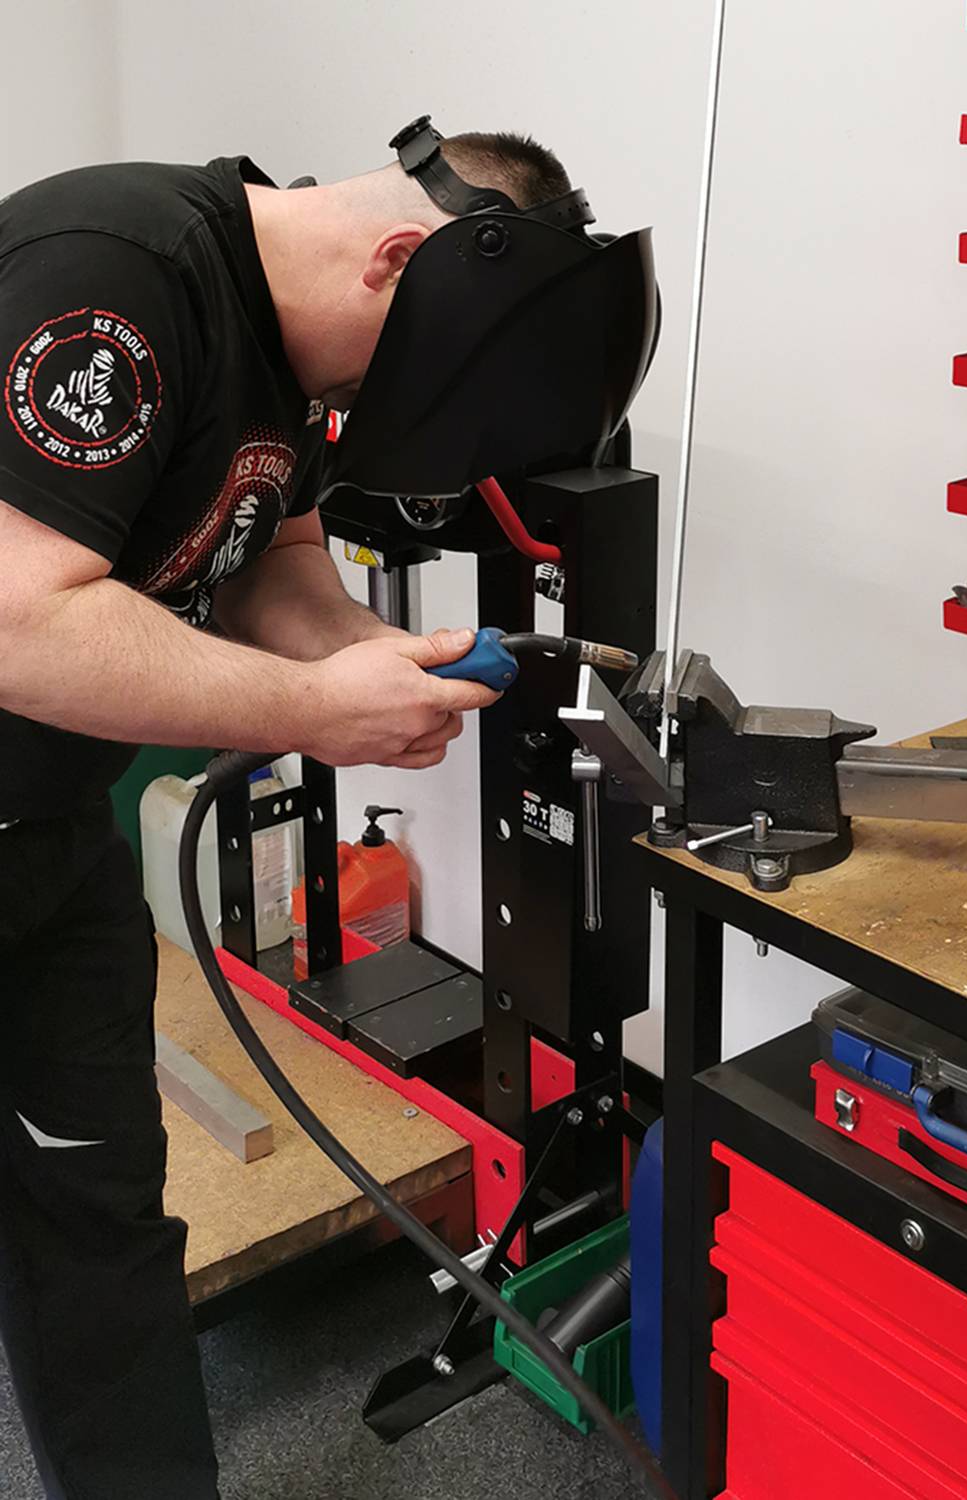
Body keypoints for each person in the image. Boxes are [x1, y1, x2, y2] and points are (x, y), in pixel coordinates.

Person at [0, 129, 573, 1499]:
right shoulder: (115, 280)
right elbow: (18, 621)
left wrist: (372, 661)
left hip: (46, 834)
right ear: (395, 260)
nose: (364, 412)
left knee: (99, 1227)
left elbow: (276, 565)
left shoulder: (295, 360)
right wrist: (315, 711)